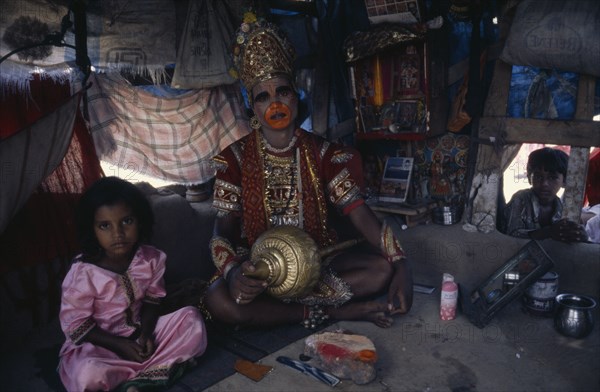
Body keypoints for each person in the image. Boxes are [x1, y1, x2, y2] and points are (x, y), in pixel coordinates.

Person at [202, 17, 413, 330]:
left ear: (295, 97)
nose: (275, 103)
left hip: (318, 260)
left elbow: (360, 214)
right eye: (263, 96)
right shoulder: (234, 160)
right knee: (218, 300)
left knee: (379, 271)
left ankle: (283, 311)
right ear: (254, 109)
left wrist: (402, 265)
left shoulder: (323, 153)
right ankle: (336, 312)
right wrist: (234, 272)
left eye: (282, 92)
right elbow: (221, 234)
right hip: (261, 271)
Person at [58, 177, 207, 392]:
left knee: (191, 320)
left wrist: (146, 334)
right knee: (87, 372)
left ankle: (133, 380)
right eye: (104, 225)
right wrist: (119, 345)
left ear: (141, 220)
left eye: (126, 221)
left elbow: (152, 300)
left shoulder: (150, 259)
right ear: (91, 230)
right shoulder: (83, 274)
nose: (117, 234)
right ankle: (154, 372)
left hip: (139, 334)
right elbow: (76, 325)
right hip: (101, 346)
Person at [501, 147, 587, 242]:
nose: (544, 183)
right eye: (538, 176)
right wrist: (548, 232)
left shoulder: (564, 210)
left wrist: (581, 237)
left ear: (564, 181)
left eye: (552, 177)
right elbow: (511, 235)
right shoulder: (521, 199)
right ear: (530, 178)